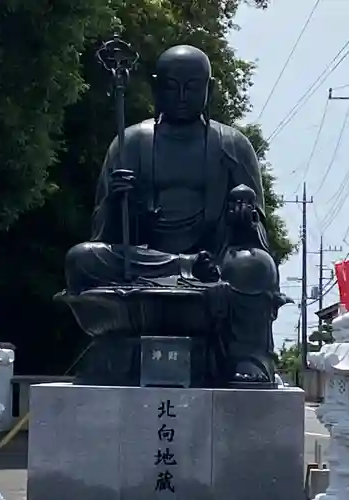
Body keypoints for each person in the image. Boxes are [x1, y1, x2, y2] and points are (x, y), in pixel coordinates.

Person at [65, 45, 286, 385]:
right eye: (172, 86)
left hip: (213, 262)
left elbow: (257, 238)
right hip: (149, 262)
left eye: (193, 86)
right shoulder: (131, 142)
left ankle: (248, 356)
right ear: (156, 88)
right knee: (80, 259)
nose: (182, 96)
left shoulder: (233, 144)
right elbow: (106, 234)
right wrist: (117, 202)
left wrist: (243, 221)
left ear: (209, 89)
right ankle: (183, 266)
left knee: (255, 266)